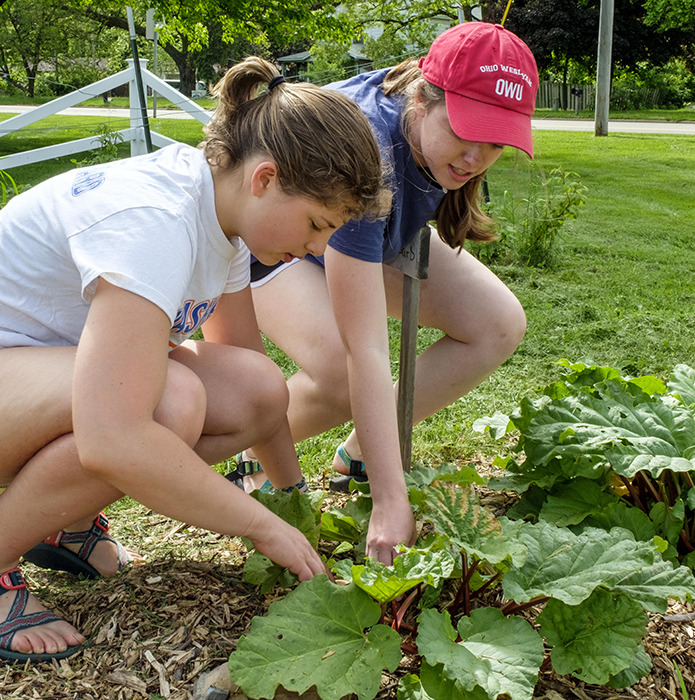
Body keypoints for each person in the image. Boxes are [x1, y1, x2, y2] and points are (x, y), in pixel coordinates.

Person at [0, 56, 389, 663]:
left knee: (254, 385)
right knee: (166, 405)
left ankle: (64, 522)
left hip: (28, 382)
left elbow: (255, 394)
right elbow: (112, 436)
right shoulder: (157, 223)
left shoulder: (224, 222)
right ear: (264, 178)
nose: (315, 249)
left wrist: (293, 504)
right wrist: (260, 526)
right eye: (317, 225)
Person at [238, 23, 539, 564]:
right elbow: (365, 348)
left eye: (495, 141)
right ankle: (250, 461)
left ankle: (356, 456)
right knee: (337, 370)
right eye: (466, 131)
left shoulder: (425, 127)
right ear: (423, 96)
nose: (475, 157)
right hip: (262, 243)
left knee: (496, 322)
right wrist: (390, 496)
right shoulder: (365, 155)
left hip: (344, 238)